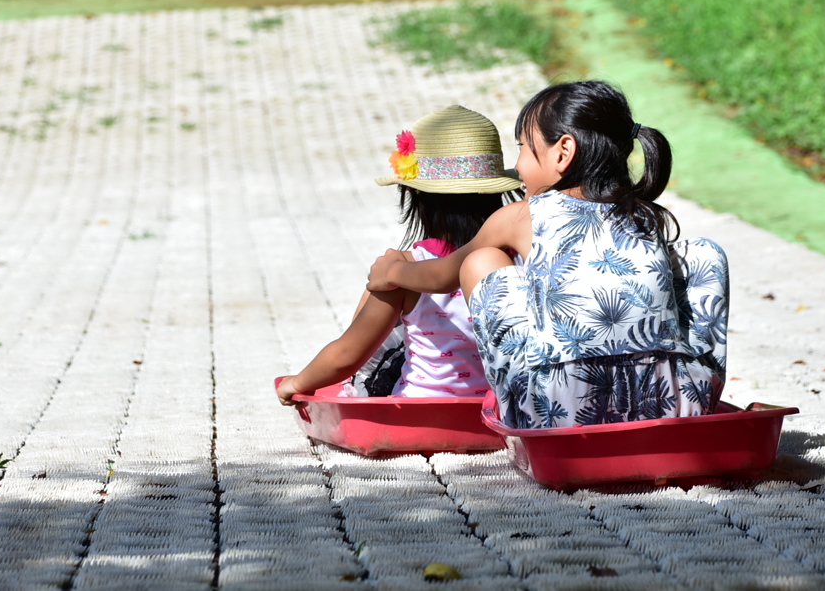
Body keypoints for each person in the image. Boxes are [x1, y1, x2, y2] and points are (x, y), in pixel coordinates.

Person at [367, 81, 728, 428]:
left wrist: (394, 272)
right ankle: (697, 404)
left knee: (482, 261)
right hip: (675, 402)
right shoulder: (645, 215)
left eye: (524, 146)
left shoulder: (523, 215)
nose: (520, 163)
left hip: (560, 409)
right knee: (703, 253)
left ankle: (524, 408)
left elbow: (443, 274)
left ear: (563, 152)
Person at [276, 105, 522, 406]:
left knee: (379, 286)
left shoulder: (409, 268)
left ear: (415, 197)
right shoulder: (518, 259)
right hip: (498, 408)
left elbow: (347, 356)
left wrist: (296, 383)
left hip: (420, 407)